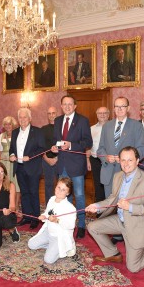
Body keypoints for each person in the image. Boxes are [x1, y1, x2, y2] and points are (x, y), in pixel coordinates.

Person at [86, 146, 144, 272]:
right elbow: (112, 198)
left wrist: (131, 207)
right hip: (121, 221)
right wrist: (97, 206)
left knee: (133, 267)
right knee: (92, 227)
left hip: (137, 225)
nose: (126, 164)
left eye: (130, 160)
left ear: (137, 161)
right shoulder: (118, 176)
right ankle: (113, 254)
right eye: (123, 160)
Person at [51, 95, 93, 239]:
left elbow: (88, 142)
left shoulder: (82, 121)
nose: (67, 107)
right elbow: (56, 141)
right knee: (64, 197)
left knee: (79, 196)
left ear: (75, 106)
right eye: (64, 104)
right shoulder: (57, 121)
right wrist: (54, 148)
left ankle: (81, 225)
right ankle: (67, 223)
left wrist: (71, 145)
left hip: (76, 165)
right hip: (61, 165)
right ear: (61, 106)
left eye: (70, 104)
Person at [97, 96, 144, 197]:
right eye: (117, 106)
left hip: (127, 173)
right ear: (114, 109)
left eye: (123, 106)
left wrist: (127, 160)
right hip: (109, 173)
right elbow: (100, 149)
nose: (119, 109)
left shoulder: (137, 126)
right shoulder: (106, 126)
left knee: (125, 208)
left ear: (128, 108)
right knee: (109, 208)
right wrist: (105, 157)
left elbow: (141, 149)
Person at [9, 108, 45, 229]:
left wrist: (30, 157)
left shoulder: (38, 131)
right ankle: (26, 216)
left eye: (25, 117)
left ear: (30, 118)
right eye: (20, 117)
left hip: (33, 167)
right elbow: (11, 149)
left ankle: (35, 218)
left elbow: (42, 149)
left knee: (33, 192)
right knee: (24, 193)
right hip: (19, 168)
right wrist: (12, 155)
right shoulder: (14, 132)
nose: (22, 119)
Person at [28, 177, 76, 264]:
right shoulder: (51, 199)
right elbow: (47, 213)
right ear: (55, 187)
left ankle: (66, 247)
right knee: (31, 244)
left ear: (68, 193)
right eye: (59, 187)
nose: (60, 191)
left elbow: (71, 225)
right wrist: (43, 216)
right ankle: (52, 247)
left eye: (63, 189)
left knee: (48, 260)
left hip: (59, 236)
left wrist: (57, 220)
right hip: (48, 232)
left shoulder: (70, 208)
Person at [87, 107, 109, 202]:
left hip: (109, 161)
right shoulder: (91, 129)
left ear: (108, 115)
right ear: (97, 115)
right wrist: (88, 160)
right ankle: (99, 209)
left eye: (105, 113)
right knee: (97, 184)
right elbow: (88, 147)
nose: (102, 115)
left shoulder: (114, 127)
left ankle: (110, 208)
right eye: (100, 113)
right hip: (95, 160)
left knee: (108, 184)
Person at [0, 116, 20, 210]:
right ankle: (7, 204)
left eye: (9, 124)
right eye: (6, 124)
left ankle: (15, 206)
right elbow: (0, 150)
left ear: (13, 125)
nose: (8, 126)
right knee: (5, 183)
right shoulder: (1, 135)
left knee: (16, 184)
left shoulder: (18, 134)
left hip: (14, 161)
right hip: (4, 161)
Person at [41, 107, 58, 204]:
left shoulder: (61, 128)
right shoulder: (43, 129)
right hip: (46, 161)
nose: (51, 115)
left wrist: (57, 158)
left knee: (61, 185)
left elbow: (64, 145)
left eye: (53, 113)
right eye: (49, 113)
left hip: (59, 160)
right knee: (48, 185)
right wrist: (47, 159)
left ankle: (60, 208)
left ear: (57, 114)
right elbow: (40, 147)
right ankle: (49, 207)